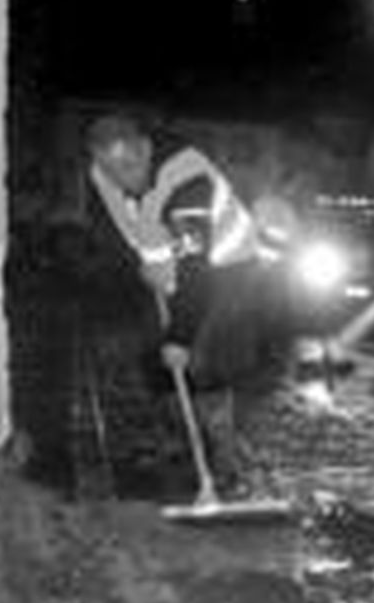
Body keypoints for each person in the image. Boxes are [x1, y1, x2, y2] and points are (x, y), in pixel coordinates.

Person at [84, 113, 281, 494]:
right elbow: (121, 224)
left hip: (228, 266)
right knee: (152, 352)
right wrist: (146, 264)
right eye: (112, 170)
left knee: (205, 358)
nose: (124, 178)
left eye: (130, 166)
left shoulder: (188, 181)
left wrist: (180, 336)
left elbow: (196, 272)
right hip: (172, 265)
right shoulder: (101, 173)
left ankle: (227, 464)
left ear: (145, 148)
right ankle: (179, 444)